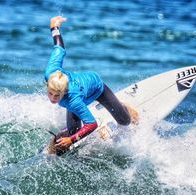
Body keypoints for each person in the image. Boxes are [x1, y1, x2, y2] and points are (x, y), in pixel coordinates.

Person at [45, 16, 138, 154]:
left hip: (97, 89)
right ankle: (60, 141)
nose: (52, 98)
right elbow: (59, 48)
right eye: (50, 92)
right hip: (79, 91)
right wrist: (54, 27)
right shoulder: (51, 73)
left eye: (56, 95)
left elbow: (92, 124)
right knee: (73, 131)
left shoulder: (73, 100)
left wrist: (71, 140)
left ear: (64, 92)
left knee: (125, 121)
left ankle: (123, 106)